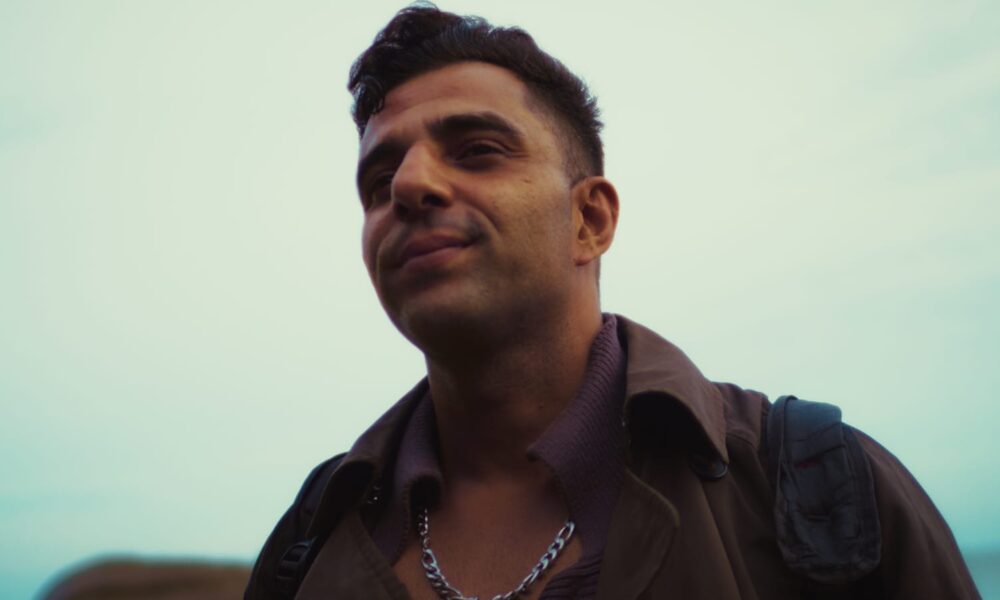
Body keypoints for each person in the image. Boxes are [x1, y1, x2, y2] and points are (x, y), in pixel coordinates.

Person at [246, 4, 980, 599]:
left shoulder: (816, 486)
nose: (408, 186)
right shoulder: (312, 537)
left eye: (476, 150)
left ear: (589, 220)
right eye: (379, 183)